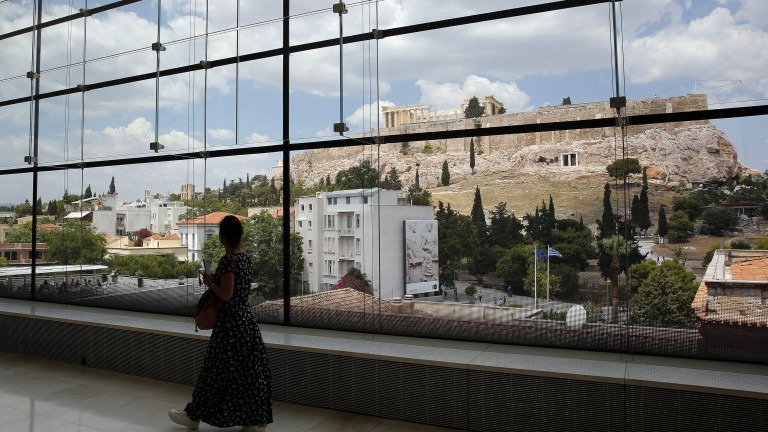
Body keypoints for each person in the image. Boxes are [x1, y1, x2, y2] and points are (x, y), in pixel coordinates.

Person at [169, 215, 272, 431]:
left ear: (222, 237)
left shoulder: (228, 261)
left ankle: (193, 415)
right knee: (249, 373)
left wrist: (210, 282)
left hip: (230, 324)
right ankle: (254, 420)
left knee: (215, 373)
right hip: (247, 321)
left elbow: (226, 294)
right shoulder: (245, 258)